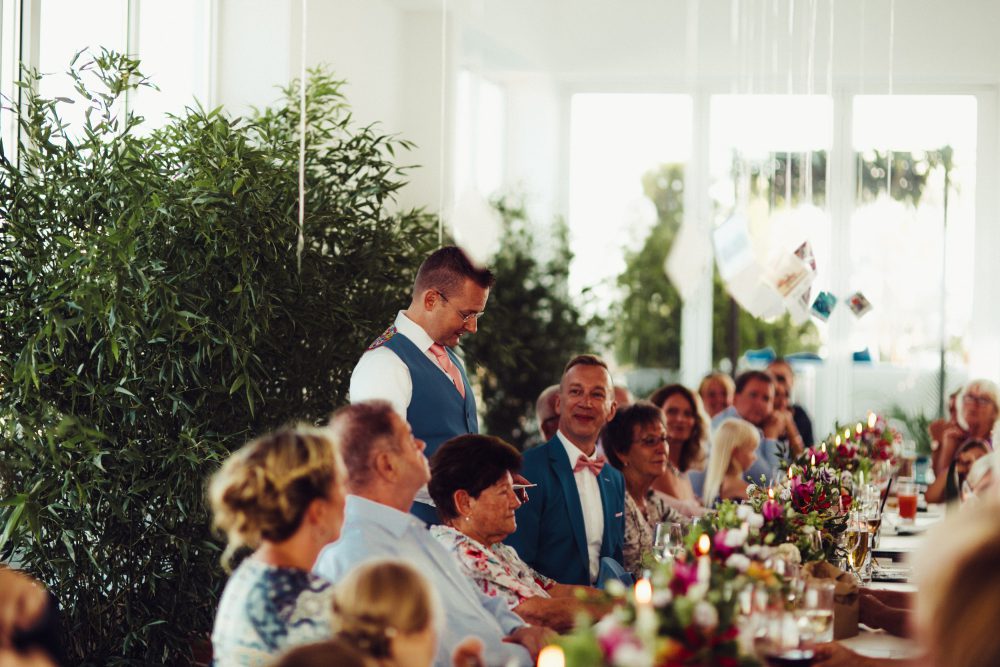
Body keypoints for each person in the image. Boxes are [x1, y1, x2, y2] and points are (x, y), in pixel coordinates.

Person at [314, 401, 550, 667]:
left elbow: (478, 599)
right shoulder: (356, 554)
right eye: (409, 439)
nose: (422, 446)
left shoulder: (412, 531)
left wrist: (518, 629)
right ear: (387, 465)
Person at [349, 246, 495, 524]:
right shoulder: (384, 364)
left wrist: (490, 477)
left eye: (478, 316)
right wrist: (472, 491)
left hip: (454, 535)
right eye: (467, 314)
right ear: (431, 300)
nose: (473, 327)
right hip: (414, 534)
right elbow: (385, 467)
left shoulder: (449, 355)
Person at [427, 435, 605, 633]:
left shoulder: (495, 548)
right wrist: (619, 609)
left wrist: (618, 600)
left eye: (514, 489)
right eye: (504, 492)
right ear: (464, 502)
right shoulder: (463, 555)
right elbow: (539, 615)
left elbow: (553, 589)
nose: (517, 502)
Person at [209, 427, 347, 666]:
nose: (348, 498)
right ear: (317, 511)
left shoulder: (247, 576)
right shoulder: (313, 602)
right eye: (342, 487)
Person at [506, 354, 626, 587]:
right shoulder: (527, 470)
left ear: (611, 410)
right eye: (576, 392)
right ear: (559, 403)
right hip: (549, 611)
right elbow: (517, 565)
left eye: (597, 394)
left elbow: (615, 564)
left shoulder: (615, 479)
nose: (586, 402)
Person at [602, 401, 688, 577]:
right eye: (649, 441)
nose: (661, 449)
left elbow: (692, 529)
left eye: (664, 439)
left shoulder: (651, 499)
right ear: (621, 452)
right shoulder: (615, 501)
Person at [647, 384, 709, 516]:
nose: (680, 419)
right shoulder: (654, 468)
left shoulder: (680, 470)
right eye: (672, 412)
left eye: (688, 414)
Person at [931, 379, 998, 485]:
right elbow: (938, 484)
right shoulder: (962, 439)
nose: (974, 405)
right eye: (969, 397)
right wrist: (941, 443)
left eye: (983, 400)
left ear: (996, 411)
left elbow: (943, 491)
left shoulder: (987, 446)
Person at [701, 419, 759, 506]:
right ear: (735, 452)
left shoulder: (723, 481)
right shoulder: (732, 485)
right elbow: (768, 497)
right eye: (751, 450)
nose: (755, 457)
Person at [925, 438, 990, 504]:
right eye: (968, 462)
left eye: (980, 457)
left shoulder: (993, 483)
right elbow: (929, 498)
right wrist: (952, 469)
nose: (976, 463)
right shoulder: (963, 486)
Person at [767, 358, 814, 447]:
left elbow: (808, 455)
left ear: (792, 381)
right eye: (770, 377)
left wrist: (791, 428)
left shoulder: (800, 416)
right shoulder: (758, 416)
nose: (775, 383)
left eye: (781, 378)